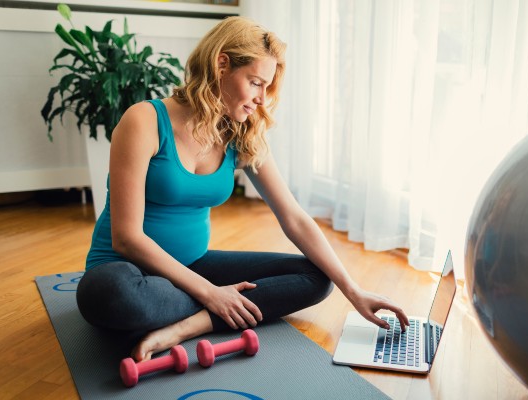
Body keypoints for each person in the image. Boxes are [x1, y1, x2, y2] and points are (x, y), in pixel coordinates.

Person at [76, 16, 409, 362]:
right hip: (126, 272)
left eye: (267, 88)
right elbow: (126, 239)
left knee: (317, 276)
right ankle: (208, 308)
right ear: (222, 64)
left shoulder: (241, 134)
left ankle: (190, 325)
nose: (261, 100)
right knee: (111, 296)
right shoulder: (143, 121)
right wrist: (211, 293)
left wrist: (353, 290)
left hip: (193, 265)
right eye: (255, 83)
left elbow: (293, 217)